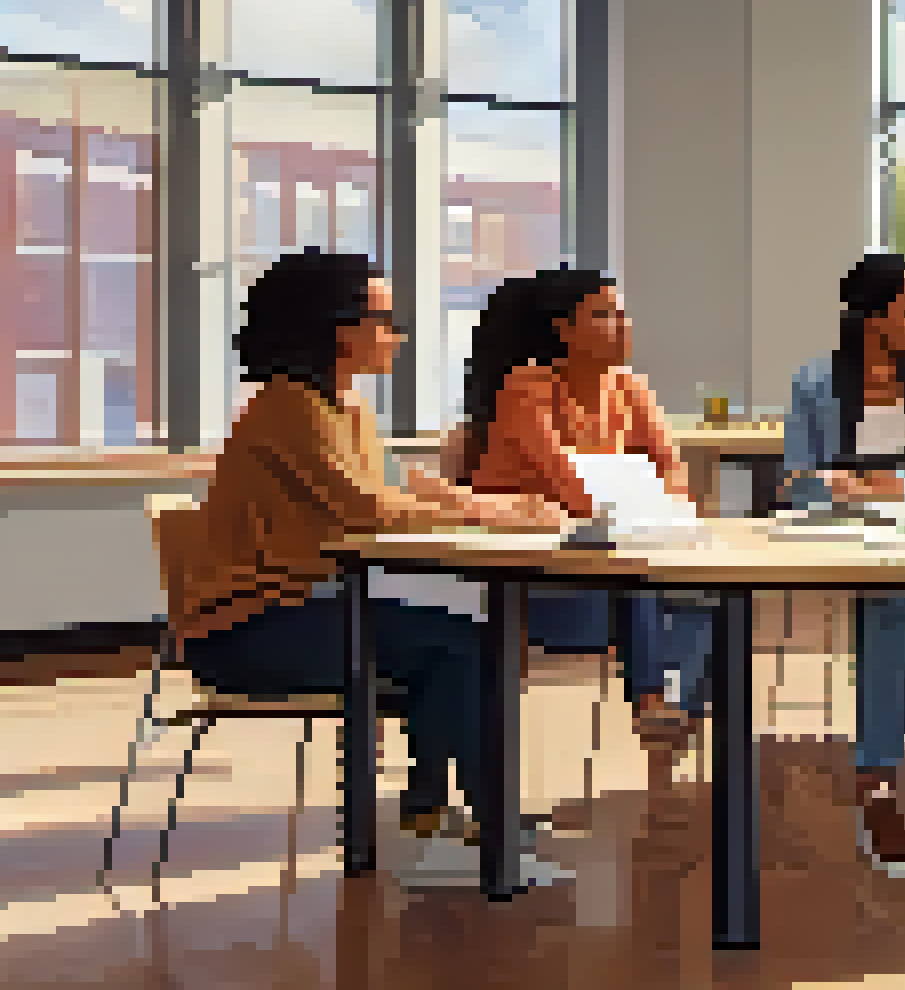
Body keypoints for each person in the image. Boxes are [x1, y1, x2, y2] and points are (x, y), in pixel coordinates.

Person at [173, 250, 565, 872]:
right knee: (464, 642)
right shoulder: (286, 405)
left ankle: (435, 805)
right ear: (337, 328)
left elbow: (400, 489)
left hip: (309, 609)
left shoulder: (345, 407)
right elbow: (371, 508)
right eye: (384, 320)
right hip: (248, 629)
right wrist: (492, 513)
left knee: (466, 634)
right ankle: (483, 817)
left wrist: (497, 504)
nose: (397, 335)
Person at [456, 268, 709, 764]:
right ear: (562, 329)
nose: (621, 325)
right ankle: (652, 702)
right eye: (603, 314)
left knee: (710, 602)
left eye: (620, 313)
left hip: (610, 567)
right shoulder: (528, 388)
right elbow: (565, 484)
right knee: (639, 579)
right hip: (532, 579)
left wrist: (663, 511)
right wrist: (642, 511)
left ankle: (674, 724)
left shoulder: (631, 389)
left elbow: (674, 475)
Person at [782, 253, 905, 878]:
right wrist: (834, 487)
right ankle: (876, 778)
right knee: (898, 609)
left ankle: (879, 756)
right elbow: (795, 479)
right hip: (836, 533)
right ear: (873, 319)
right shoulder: (814, 384)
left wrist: (896, 489)